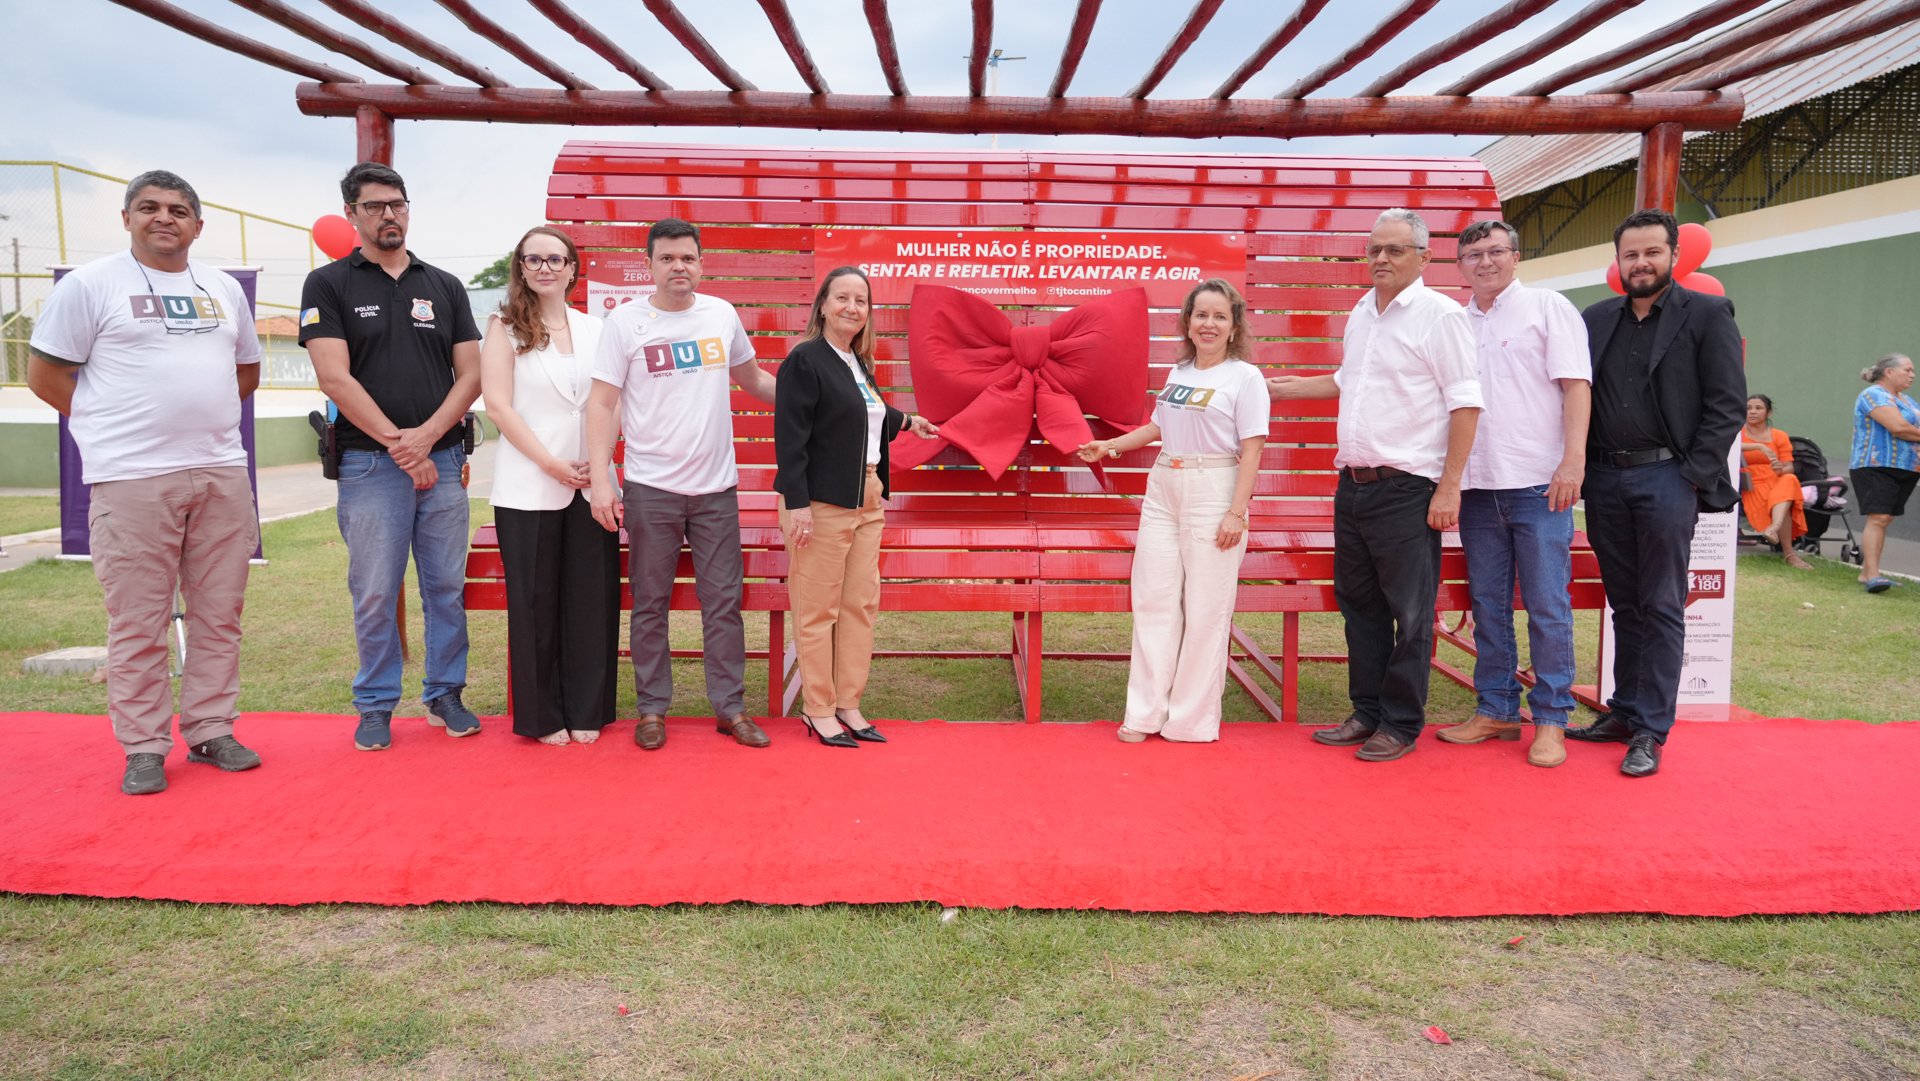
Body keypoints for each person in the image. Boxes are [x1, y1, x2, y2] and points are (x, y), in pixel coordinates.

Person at [26, 169, 264, 795]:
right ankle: (144, 746)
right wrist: (109, 426)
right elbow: (45, 375)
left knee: (220, 613)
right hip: (131, 478)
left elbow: (244, 371)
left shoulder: (221, 288)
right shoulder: (89, 285)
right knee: (138, 620)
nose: (165, 218)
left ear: (197, 226)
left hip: (220, 471)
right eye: (150, 207)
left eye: (179, 210)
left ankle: (211, 730)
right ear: (127, 217)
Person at [1269, 208, 1482, 762]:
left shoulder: (1440, 316)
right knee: (1360, 606)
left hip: (1407, 489)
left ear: (1424, 257)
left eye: (1394, 249)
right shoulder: (1363, 311)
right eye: (1374, 250)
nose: (1381, 259)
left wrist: (1449, 487)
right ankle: (1366, 712)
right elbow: (1351, 381)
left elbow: (1465, 403)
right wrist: (1285, 390)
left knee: (1410, 613)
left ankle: (1401, 723)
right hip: (1354, 485)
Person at [300, 162, 483, 752]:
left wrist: (427, 437)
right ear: (351, 214)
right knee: (376, 590)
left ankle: (445, 694)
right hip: (369, 466)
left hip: (444, 461)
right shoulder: (328, 284)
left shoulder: (444, 285)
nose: (389, 215)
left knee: (444, 587)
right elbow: (334, 377)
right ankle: (376, 703)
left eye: (397, 204)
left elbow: (472, 375)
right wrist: (401, 446)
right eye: (375, 206)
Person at [586, 218, 778, 751]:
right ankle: (652, 709)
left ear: (701, 264)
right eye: (667, 258)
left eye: (688, 258)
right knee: (651, 603)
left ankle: (731, 709)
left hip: (716, 489)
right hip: (651, 488)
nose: (679, 267)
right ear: (648, 264)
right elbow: (601, 403)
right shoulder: (625, 322)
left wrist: (818, 397)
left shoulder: (721, 314)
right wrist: (602, 479)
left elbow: (754, 379)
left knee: (724, 603)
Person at [1566, 208, 1745, 778]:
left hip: (1668, 478)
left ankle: (1650, 730)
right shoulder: (1596, 318)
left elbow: (1727, 405)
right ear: (1618, 261)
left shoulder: (1708, 313)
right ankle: (1623, 711)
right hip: (1604, 479)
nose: (1640, 263)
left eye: (1651, 252)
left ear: (1673, 255)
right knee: (1624, 602)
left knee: (1662, 603)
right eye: (1631, 255)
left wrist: (1691, 475)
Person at [1076, 279, 1270, 743]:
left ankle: (1190, 721)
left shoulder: (1245, 378)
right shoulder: (1179, 371)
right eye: (1201, 315)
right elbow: (1157, 427)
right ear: (1188, 322)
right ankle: (1144, 714)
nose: (1209, 324)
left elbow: (1253, 449)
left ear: (1234, 326)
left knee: (1206, 609)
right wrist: (1110, 446)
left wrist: (1236, 513)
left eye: (1220, 316)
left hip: (1214, 489)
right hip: (1164, 487)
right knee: (1153, 600)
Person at [1437, 219, 1591, 768]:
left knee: (1548, 606)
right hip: (1478, 487)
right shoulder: (1454, 323)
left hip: (1539, 485)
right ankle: (1498, 708)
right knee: (1489, 606)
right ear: (1460, 265)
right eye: (1473, 254)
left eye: (1495, 251)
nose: (1485, 262)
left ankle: (1551, 718)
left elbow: (1576, 387)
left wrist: (1573, 462)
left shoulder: (1548, 308)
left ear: (1516, 256)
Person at [773, 267, 940, 747]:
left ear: (869, 312)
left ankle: (848, 702)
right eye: (842, 297)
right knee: (817, 610)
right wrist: (798, 505)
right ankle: (819, 709)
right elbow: (790, 439)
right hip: (819, 502)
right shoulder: (805, 360)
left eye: (861, 300)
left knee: (859, 607)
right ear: (823, 305)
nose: (852, 307)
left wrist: (907, 421)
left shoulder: (856, 363)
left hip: (866, 498)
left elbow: (863, 412)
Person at [480, 226, 619, 745]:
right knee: (535, 604)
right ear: (520, 267)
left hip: (592, 483)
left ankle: (588, 710)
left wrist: (599, 469)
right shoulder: (503, 327)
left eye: (555, 259)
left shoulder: (597, 329)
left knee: (592, 600)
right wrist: (550, 464)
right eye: (533, 259)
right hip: (529, 484)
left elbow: (611, 402)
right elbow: (499, 407)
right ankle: (542, 717)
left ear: (572, 269)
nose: (544, 267)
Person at [1850, 353, 1920, 593]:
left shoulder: (1908, 401)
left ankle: (1867, 573)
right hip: (1876, 465)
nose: (1912, 375)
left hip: (1907, 467)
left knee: (1886, 519)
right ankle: (1872, 575)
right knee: (1878, 518)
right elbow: (1899, 428)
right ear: (1888, 371)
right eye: (1907, 370)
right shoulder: (1874, 395)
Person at [1740, 394, 1813, 570]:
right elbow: (1728, 445)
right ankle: (1789, 553)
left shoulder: (1779, 436)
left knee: (1789, 479)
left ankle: (1775, 527)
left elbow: (1789, 467)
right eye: (1749, 408)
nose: (1753, 412)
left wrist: (1780, 469)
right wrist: (1759, 446)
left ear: (1769, 413)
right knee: (1783, 498)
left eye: (1758, 408)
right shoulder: (1738, 432)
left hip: (1775, 479)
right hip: (1751, 483)